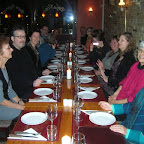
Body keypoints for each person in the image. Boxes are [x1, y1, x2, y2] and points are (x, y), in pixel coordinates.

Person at [6, 24, 42, 100]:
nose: (22, 39)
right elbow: (14, 79)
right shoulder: (9, 54)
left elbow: (32, 68)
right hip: (20, 94)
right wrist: (32, 83)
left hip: (31, 87)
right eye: (19, 37)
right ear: (12, 38)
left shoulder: (24, 50)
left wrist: (38, 77)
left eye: (23, 36)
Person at [98, 32, 136, 96]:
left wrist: (107, 79)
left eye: (122, 40)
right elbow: (113, 72)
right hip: (111, 85)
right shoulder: (120, 55)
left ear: (128, 43)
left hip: (117, 91)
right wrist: (103, 70)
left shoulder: (130, 59)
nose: (119, 42)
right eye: (119, 40)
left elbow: (124, 80)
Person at [0, 35, 24, 120]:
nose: (12, 49)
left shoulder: (3, 67)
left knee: (26, 108)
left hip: (6, 101)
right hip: (1, 106)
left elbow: (9, 90)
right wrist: (20, 107)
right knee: (24, 113)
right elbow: (1, 101)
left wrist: (20, 102)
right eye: (8, 48)